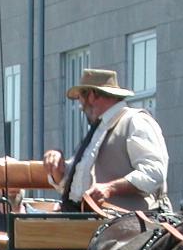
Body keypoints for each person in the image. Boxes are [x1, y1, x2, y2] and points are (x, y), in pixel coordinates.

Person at [42, 67, 169, 212]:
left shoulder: (135, 121)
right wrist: (58, 167)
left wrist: (110, 188)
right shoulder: (98, 130)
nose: (80, 107)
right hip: (87, 221)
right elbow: (76, 185)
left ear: (91, 95)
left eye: (80, 98)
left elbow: (153, 173)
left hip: (126, 226)